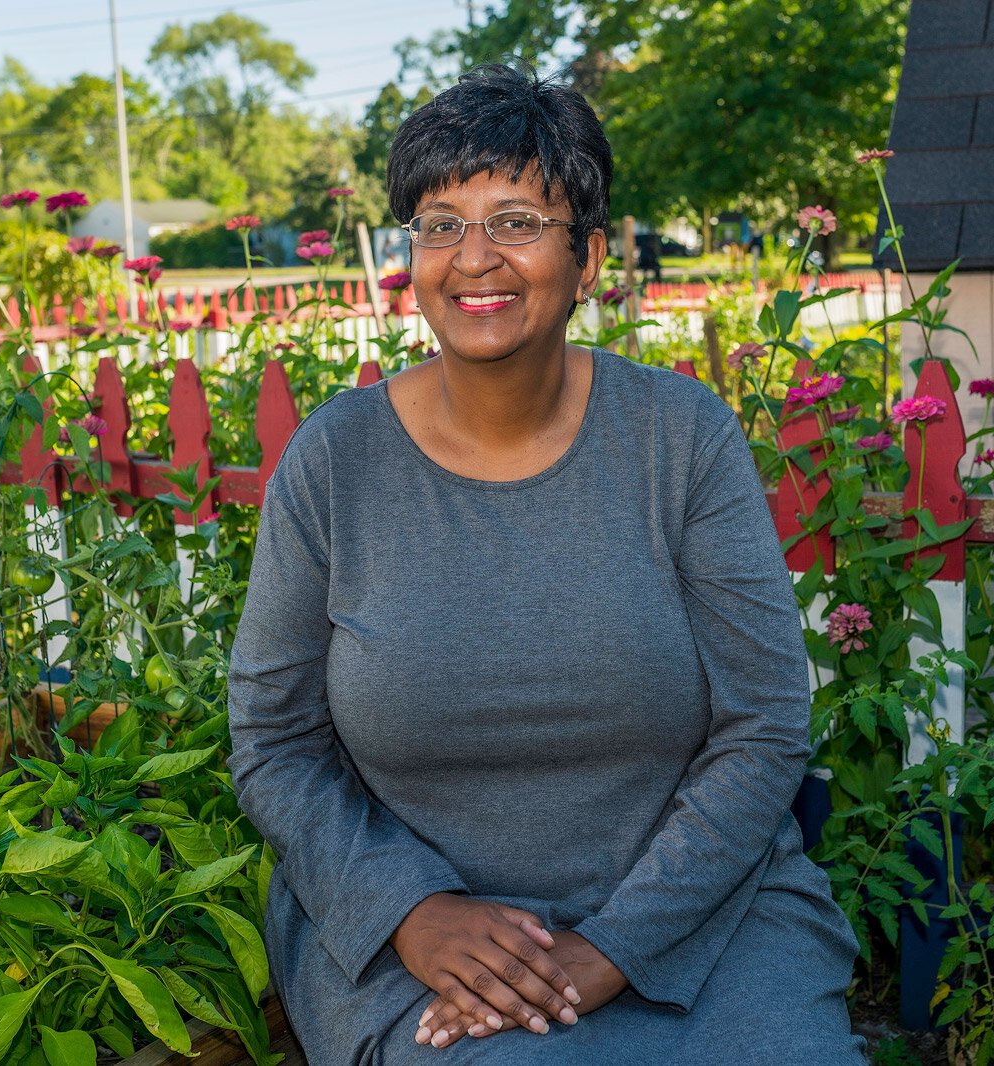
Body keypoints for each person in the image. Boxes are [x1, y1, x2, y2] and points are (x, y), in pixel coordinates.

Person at [227, 63, 864, 1065]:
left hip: (700, 917)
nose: (472, 258)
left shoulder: (679, 439)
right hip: (426, 949)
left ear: (588, 256)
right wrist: (413, 911)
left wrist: (612, 944)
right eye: (440, 223)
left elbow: (765, 724)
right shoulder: (336, 463)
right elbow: (274, 740)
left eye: (516, 219)